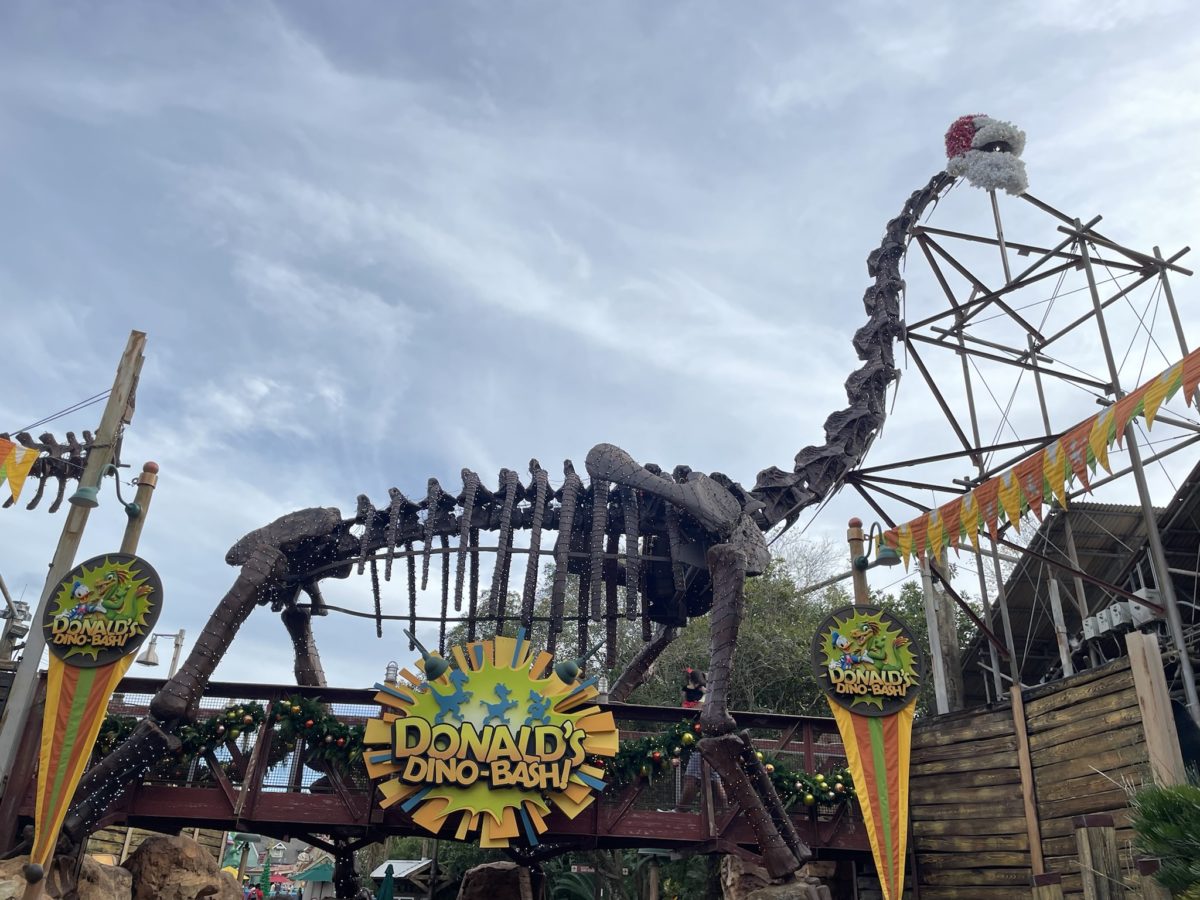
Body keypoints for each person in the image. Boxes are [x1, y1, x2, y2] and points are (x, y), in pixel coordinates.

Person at [674, 668, 727, 812]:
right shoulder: (707, 696)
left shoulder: (706, 700)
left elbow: (696, 709)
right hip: (708, 742)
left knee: (691, 777)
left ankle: (681, 810)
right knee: (715, 781)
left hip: (703, 742)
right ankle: (725, 812)